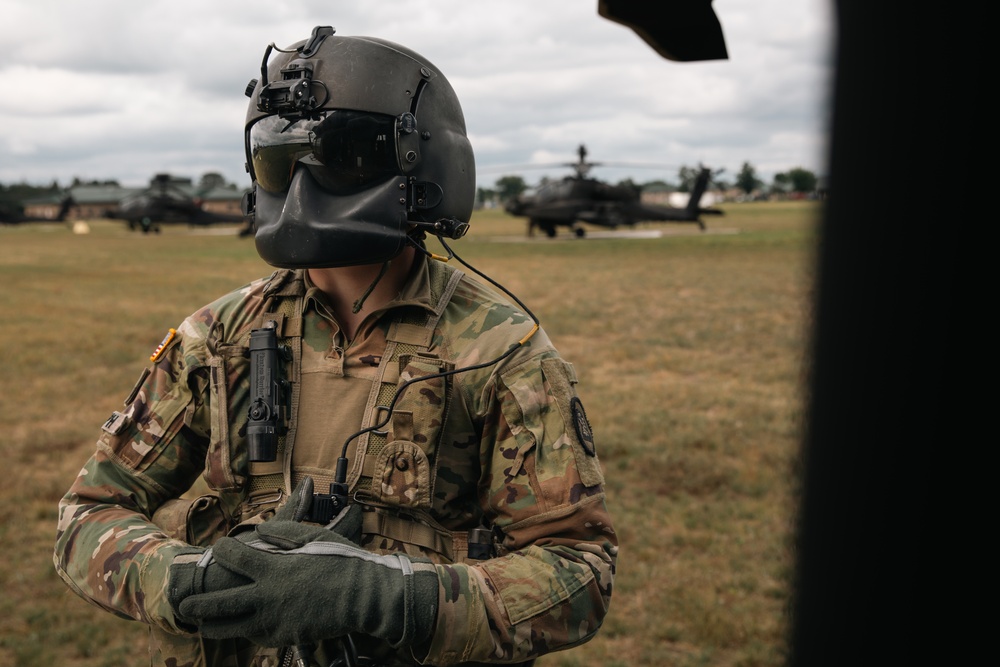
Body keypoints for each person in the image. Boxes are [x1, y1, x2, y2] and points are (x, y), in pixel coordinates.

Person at [54, 26, 617, 667]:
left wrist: (391, 600)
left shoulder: (500, 351)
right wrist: (188, 580)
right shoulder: (218, 338)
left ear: (421, 166)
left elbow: (579, 571)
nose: (302, 188)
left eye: (343, 156)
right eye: (278, 160)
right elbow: (89, 512)